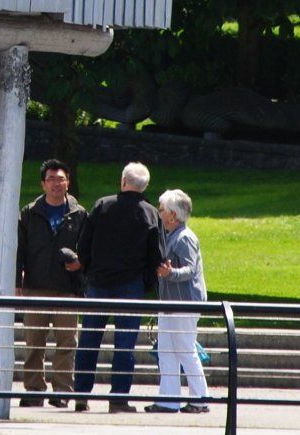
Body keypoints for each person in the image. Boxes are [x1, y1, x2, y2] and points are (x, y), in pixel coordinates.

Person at [71, 161, 163, 413]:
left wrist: (89, 270)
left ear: (123, 181)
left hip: (99, 282)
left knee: (89, 338)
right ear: (144, 185)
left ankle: (81, 394)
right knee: (125, 343)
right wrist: (146, 282)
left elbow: (83, 244)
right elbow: (156, 254)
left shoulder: (102, 205)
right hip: (130, 285)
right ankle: (118, 398)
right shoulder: (150, 213)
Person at [15, 160, 85, 406]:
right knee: (34, 342)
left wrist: (80, 264)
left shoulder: (79, 213)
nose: (57, 184)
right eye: (52, 179)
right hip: (35, 286)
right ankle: (34, 390)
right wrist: (17, 282)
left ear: (68, 182)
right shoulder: (29, 212)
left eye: (61, 179)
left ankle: (62, 392)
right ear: (43, 183)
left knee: (67, 342)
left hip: (67, 289)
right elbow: (19, 250)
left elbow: (88, 248)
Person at [147, 188, 211, 415]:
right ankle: (168, 400)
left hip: (184, 304)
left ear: (172, 215)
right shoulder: (171, 235)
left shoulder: (184, 238)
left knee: (185, 350)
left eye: (162, 209)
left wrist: (170, 273)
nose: (159, 213)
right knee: (166, 351)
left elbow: (189, 270)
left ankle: (200, 399)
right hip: (170, 303)